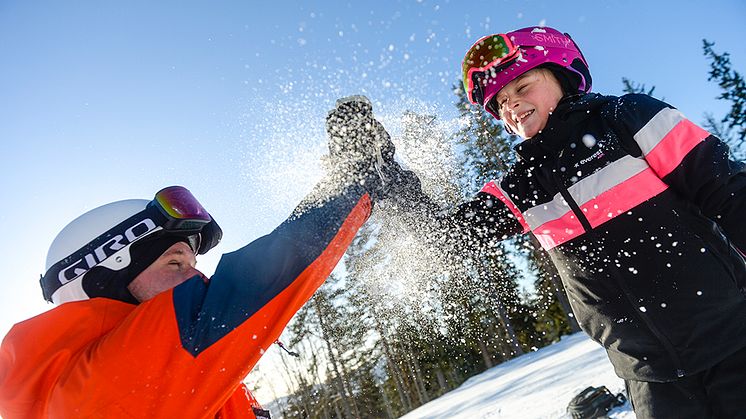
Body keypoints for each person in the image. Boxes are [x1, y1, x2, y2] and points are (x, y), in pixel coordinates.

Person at [378, 26, 746, 418]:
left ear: (561, 73)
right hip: (650, 376)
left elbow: (729, 191)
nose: (511, 105)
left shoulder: (626, 119)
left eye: (522, 86)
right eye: (500, 100)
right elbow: (446, 238)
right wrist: (384, 172)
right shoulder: (522, 185)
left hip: (731, 340)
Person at [0, 97, 406, 418]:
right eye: (175, 262)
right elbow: (245, 287)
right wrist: (358, 181)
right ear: (105, 278)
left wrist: (345, 184)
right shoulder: (99, 394)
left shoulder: (153, 388)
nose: (199, 278)